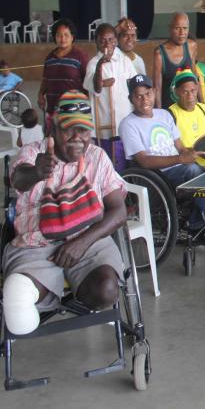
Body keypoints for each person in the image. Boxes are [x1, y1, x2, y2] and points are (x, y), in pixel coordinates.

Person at [2, 91, 126, 336]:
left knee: (107, 290)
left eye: (84, 130)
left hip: (90, 242)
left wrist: (82, 243)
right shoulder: (32, 153)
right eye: (70, 129)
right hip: (36, 245)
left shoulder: (97, 157)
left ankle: (73, 291)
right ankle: (44, 291)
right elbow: (18, 178)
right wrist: (37, 172)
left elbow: (119, 211)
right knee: (17, 302)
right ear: (53, 127)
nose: (78, 137)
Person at [119, 74, 205, 238]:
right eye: (138, 96)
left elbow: (180, 147)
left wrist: (197, 151)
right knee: (193, 171)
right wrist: (180, 159)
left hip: (180, 168)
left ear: (154, 93)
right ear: (131, 99)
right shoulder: (128, 124)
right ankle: (199, 224)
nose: (144, 100)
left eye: (147, 94)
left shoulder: (164, 114)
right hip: (157, 175)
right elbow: (144, 161)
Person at [83, 23, 137, 142]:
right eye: (102, 41)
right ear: (96, 42)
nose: (107, 44)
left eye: (111, 40)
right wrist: (100, 65)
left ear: (116, 41)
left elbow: (135, 86)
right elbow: (96, 88)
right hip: (104, 123)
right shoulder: (93, 63)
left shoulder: (125, 61)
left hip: (125, 118)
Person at [167, 69, 205, 169]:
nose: (190, 96)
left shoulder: (204, 109)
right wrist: (203, 153)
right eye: (185, 92)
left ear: (197, 88)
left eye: (193, 91)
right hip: (193, 168)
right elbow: (172, 149)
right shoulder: (170, 115)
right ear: (176, 92)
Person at [38, 18, 89, 133]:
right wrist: (41, 94)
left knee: (72, 143)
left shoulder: (80, 56)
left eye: (66, 35)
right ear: (54, 37)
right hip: (52, 109)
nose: (62, 38)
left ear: (72, 37)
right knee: (53, 143)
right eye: (59, 35)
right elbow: (46, 79)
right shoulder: (50, 57)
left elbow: (88, 82)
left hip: (74, 110)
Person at [153, 12, 197, 109]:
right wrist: (160, 114)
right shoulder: (160, 53)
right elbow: (157, 88)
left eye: (185, 28)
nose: (182, 33)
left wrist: (201, 104)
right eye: (177, 28)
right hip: (169, 109)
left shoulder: (191, 46)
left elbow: (195, 78)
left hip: (188, 109)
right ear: (170, 29)